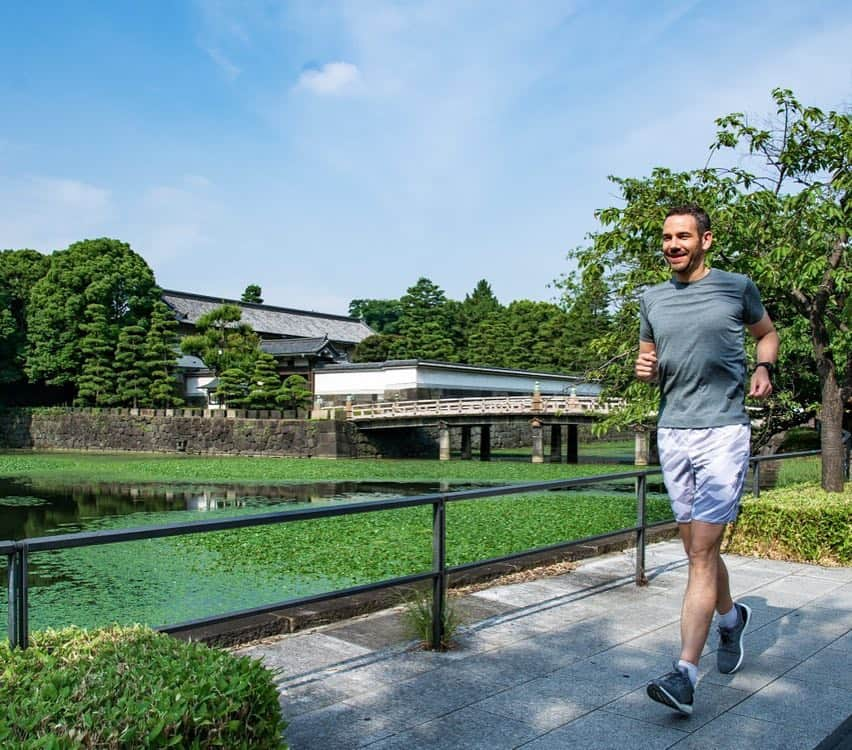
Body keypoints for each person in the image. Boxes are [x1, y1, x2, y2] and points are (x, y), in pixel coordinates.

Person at [636, 205, 779, 716]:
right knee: (698, 545)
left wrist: (764, 367)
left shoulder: (735, 287)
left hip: (722, 431)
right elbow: (648, 362)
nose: (673, 244)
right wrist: (644, 368)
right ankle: (730, 617)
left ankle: (684, 673)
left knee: (698, 554)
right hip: (673, 431)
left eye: (683, 236)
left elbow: (768, 332)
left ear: (705, 241)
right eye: (667, 238)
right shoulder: (651, 299)